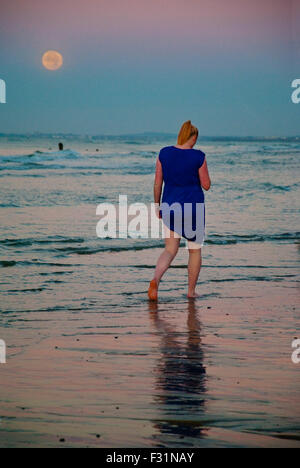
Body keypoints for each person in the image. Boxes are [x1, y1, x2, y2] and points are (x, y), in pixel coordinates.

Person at [148, 120, 211, 300]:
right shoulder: (198, 156)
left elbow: (157, 183)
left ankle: (155, 280)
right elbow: (206, 185)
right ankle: (191, 292)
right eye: (195, 138)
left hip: (169, 206)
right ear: (193, 137)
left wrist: (157, 205)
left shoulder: (164, 153)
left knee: (169, 249)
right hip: (193, 208)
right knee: (194, 250)